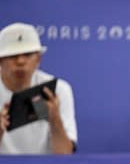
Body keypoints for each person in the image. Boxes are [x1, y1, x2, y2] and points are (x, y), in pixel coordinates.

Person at [0, 23, 77, 154]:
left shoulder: (58, 90)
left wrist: (54, 119)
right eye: (13, 56)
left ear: (38, 59)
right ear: (0, 61)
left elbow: (64, 154)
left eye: (28, 54)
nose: (20, 61)